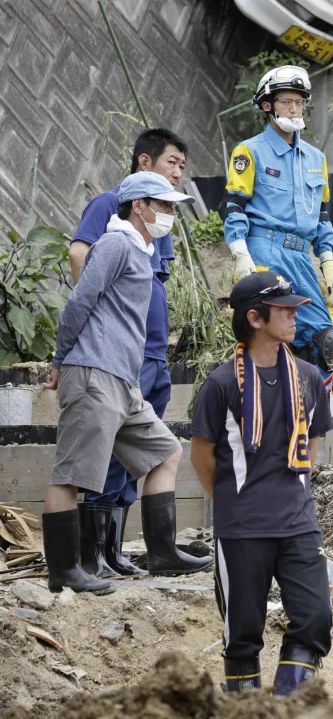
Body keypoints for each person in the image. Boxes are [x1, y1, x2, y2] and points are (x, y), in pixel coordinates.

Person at [42, 172, 212, 594]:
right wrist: (61, 361)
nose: (171, 214)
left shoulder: (142, 249)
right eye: (166, 205)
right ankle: (63, 571)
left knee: (164, 453)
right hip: (94, 373)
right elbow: (80, 301)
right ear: (139, 205)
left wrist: (132, 380)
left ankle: (163, 553)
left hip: (122, 380)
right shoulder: (116, 243)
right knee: (72, 475)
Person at [190, 271, 333, 695]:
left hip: (298, 523)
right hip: (243, 528)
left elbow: (314, 443)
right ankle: (245, 716)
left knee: (314, 617)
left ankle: (288, 708)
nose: (294, 316)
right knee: (242, 634)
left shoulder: (308, 377)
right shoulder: (219, 385)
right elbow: (202, 458)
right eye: (284, 310)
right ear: (255, 318)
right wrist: (237, 504)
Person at [69, 128, 188, 579]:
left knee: (138, 456)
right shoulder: (110, 203)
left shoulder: (162, 221)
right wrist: (103, 333)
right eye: (171, 162)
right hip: (122, 354)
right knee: (113, 450)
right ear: (144, 162)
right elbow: (80, 256)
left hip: (154, 352)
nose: (178, 172)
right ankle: (91, 555)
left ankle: (114, 552)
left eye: (181, 166)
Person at [221, 65, 333, 371]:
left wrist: (329, 267)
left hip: (301, 257)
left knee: (325, 340)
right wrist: (241, 256)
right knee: (270, 337)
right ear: (267, 105)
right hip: (264, 251)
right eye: (286, 102)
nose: (294, 109)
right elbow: (233, 206)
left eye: (299, 102)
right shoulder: (249, 152)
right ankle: (265, 409)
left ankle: (321, 414)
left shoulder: (315, 159)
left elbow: (322, 218)